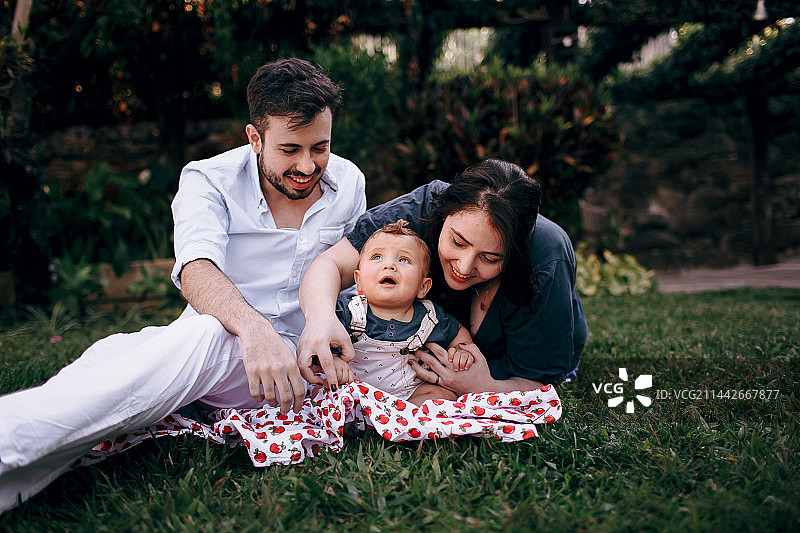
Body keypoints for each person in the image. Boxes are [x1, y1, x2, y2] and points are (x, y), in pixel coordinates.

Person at [0, 58, 366, 513]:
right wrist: (254, 330)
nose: (308, 165)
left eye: (320, 148)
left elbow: (351, 274)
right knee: (126, 355)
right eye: (290, 149)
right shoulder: (208, 179)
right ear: (255, 138)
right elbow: (196, 269)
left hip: (303, 371)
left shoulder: (349, 181)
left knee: (146, 356)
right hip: (233, 352)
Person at [297, 159, 586, 397]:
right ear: (443, 214)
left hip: (500, 373)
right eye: (457, 242)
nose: (464, 266)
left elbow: (540, 385)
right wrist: (321, 319)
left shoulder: (546, 259)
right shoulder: (421, 210)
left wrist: (483, 388)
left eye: (490, 258)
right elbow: (332, 264)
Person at [327, 219, 473, 405]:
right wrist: (333, 358)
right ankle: (366, 414)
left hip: (408, 393)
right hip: (355, 391)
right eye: (377, 257)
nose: (389, 266)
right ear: (359, 280)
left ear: (423, 286)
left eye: (403, 260)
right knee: (324, 388)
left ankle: (400, 414)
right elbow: (326, 339)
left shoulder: (429, 317)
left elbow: (458, 331)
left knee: (445, 396)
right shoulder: (350, 311)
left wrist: (461, 350)